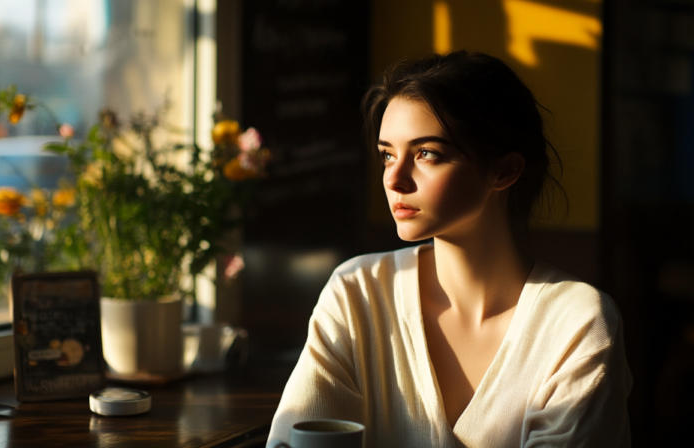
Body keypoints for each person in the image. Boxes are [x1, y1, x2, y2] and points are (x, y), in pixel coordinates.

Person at [267, 51, 632, 447]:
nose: (395, 179)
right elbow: (295, 438)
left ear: (504, 170)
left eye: (427, 153)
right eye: (387, 154)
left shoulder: (577, 323)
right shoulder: (359, 291)